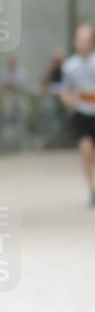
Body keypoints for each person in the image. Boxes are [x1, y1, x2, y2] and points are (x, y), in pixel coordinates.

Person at [60, 22, 95, 206]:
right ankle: (91, 189)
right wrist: (69, 100)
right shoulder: (69, 66)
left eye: (88, 40)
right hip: (82, 114)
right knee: (85, 150)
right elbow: (65, 91)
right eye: (81, 39)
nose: (84, 43)